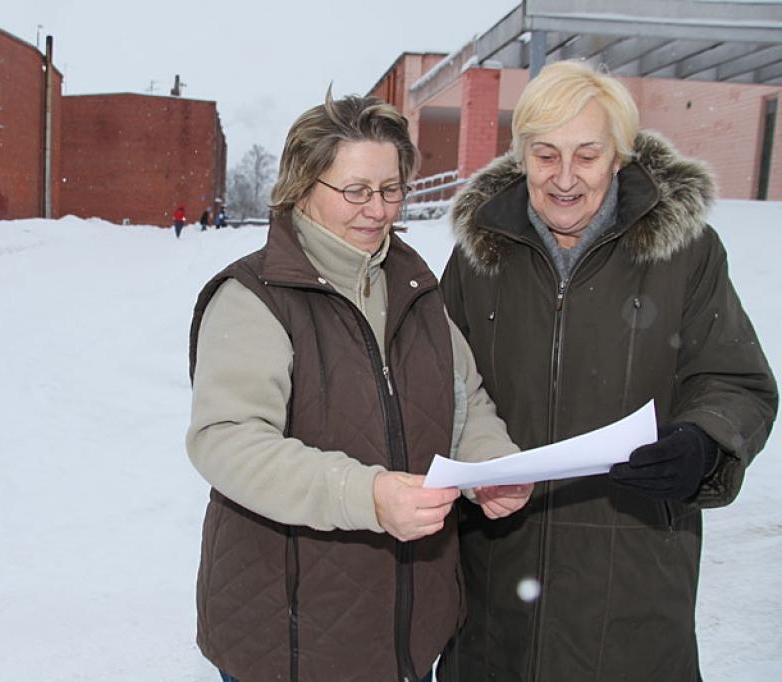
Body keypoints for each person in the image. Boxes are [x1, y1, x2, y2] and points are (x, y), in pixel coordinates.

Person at [438, 60, 777, 681]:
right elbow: (440, 388)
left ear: (618, 157)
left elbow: (736, 380)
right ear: (520, 157)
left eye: (587, 156)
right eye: (545, 155)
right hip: (495, 582)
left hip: (633, 580)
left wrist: (703, 442)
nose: (564, 178)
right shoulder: (478, 258)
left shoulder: (685, 252)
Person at [187, 91, 532, 682]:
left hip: (403, 636)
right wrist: (366, 496)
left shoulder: (414, 285)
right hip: (290, 640)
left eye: (391, 189)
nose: (377, 209)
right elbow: (228, 440)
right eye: (355, 191)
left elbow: (464, 399)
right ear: (301, 186)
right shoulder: (254, 298)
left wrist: (491, 464)